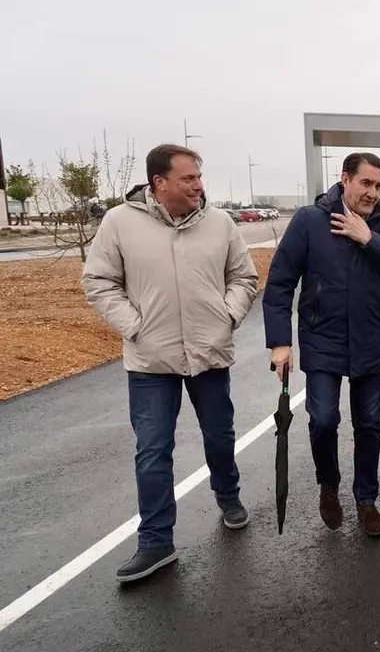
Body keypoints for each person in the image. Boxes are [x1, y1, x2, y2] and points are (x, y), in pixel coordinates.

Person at [80, 144, 259, 583]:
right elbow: (99, 281)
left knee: (219, 435)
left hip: (209, 353)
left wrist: (228, 315)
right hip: (149, 360)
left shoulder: (219, 223)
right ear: (159, 183)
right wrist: (133, 325)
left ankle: (228, 495)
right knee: (153, 450)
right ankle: (156, 541)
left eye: (199, 176)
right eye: (188, 178)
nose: (198, 185)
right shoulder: (119, 223)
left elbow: (245, 276)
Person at [262, 152, 380, 537]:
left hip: (370, 340)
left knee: (368, 425)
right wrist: (280, 341)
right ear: (345, 178)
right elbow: (280, 282)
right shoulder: (310, 221)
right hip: (322, 340)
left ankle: (366, 499)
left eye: (379, 185)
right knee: (323, 420)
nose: (373, 192)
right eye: (366, 183)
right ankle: (328, 486)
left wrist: (369, 239)